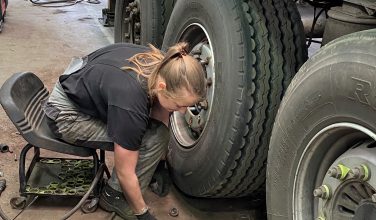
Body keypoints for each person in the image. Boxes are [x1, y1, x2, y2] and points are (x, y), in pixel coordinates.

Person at [42, 42, 206, 220]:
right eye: (179, 105)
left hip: (78, 84)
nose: (182, 111)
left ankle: (123, 191)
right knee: (151, 139)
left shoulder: (165, 65)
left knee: (158, 134)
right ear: (161, 88)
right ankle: (114, 196)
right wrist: (142, 214)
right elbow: (124, 170)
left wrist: (159, 164)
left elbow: (162, 110)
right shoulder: (130, 102)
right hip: (65, 116)